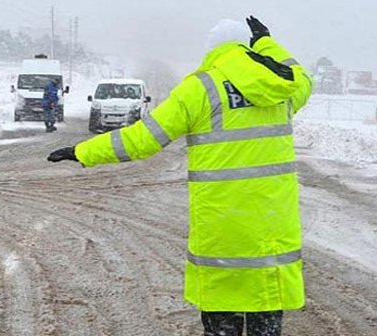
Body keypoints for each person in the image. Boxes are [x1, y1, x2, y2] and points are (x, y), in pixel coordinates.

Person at [47, 16, 313, 336]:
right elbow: (304, 78)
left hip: (222, 234)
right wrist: (268, 43)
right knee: (265, 321)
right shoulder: (282, 87)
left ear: (212, 50)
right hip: (273, 232)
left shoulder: (200, 88)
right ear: (247, 47)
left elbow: (142, 140)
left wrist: (82, 151)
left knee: (222, 321)